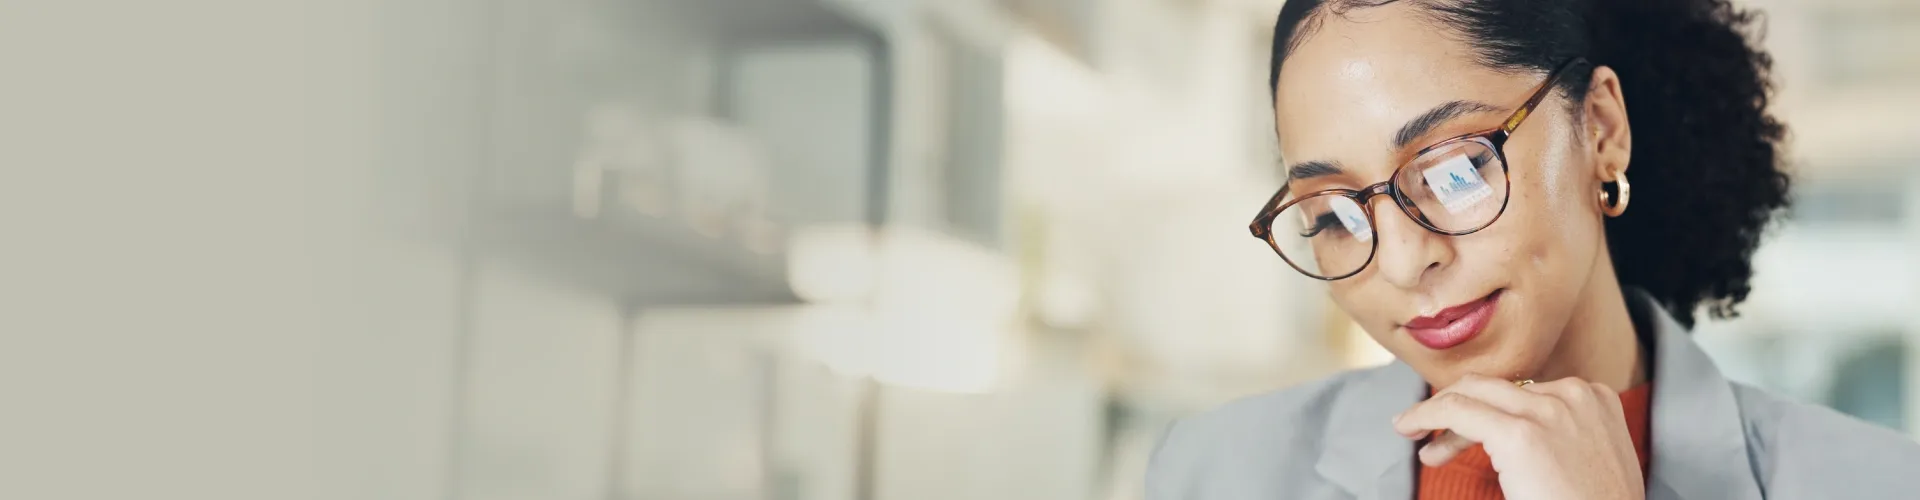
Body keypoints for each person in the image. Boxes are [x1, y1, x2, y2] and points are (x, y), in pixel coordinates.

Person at [1144, 1, 1920, 499]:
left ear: (1601, 132)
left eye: (1454, 171)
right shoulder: (1215, 470)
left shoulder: (1874, 484)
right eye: (1335, 214)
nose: (1406, 261)